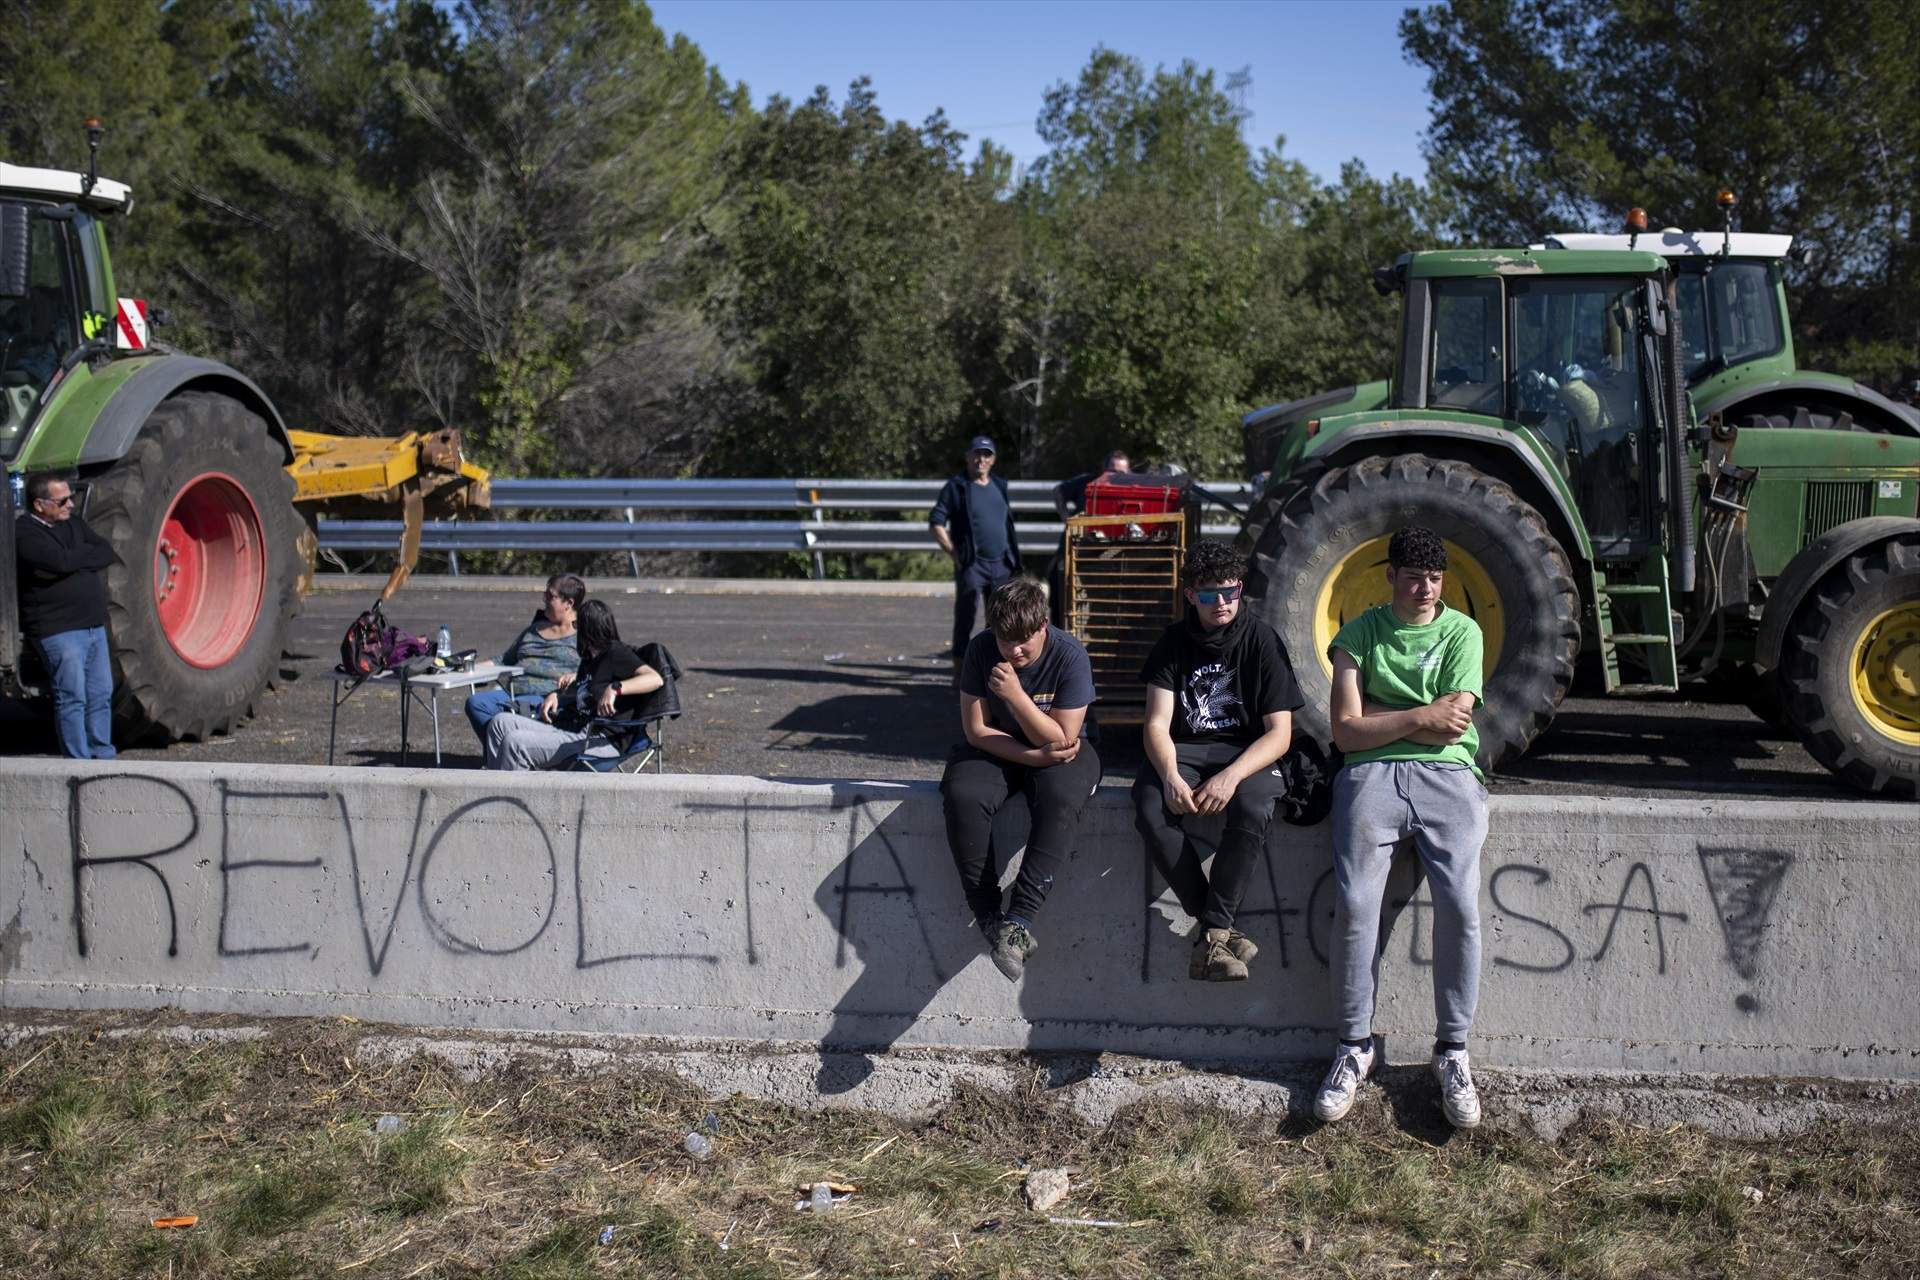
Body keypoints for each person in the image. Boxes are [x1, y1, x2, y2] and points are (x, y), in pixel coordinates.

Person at [1313, 525, 1488, 1130]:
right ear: (1389, 576)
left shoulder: (1464, 630)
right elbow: (1344, 732)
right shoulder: (1358, 635)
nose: (1425, 589)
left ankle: (1453, 1051)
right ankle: (1353, 1045)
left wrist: (1384, 719)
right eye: (1414, 577)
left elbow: (1455, 724)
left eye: (1435, 579)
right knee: (1358, 904)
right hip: (1370, 777)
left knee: (1461, 907)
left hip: (1450, 779)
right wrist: (1420, 714)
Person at [1133, 539, 1302, 981]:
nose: (1222, 602)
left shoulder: (1262, 639)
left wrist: (1231, 777)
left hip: (1246, 752)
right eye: (1209, 594)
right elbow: (1155, 723)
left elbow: (1280, 733)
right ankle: (1221, 932)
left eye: (1230, 591)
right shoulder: (1172, 641)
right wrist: (1169, 774)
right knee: (1151, 806)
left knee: (1253, 804)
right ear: (1190, 595)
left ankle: (1212, 935)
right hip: (1185, 748)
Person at [940, 575, 1100, 982]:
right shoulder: (981, 650)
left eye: (1023, 639)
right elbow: (976, 730)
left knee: (1062, 796)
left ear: (1043, 626)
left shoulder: (1070, 654)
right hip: (1002, 747)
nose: (1014, 650)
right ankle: (989, 915)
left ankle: (1020, 920)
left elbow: (1064, 738)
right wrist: (1032, 755)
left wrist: (1014, 696)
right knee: (963, 792)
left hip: (1066, 753)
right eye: (1004, 639)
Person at [482, 598, 662, 771]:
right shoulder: (589, 659)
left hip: (599, 739)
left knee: (515, 742)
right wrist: (558, 696)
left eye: (577, 625)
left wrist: (615, 688)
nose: (574, 631)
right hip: (573, 726)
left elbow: (655, 678)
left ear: (589, 629)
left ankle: (511, 798)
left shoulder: (615, 652)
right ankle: (496, 788)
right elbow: (588, 688)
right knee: (500, 723)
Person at [14, 472, 117, 759]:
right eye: (62, 500)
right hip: (59, 630)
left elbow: (105, 551)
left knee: (100, 695)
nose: (70, 504)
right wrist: (79, 559)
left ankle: (103, 756)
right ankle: (78, 764)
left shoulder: (73, 524)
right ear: (39, 505)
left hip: (93, 627)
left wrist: (73, 560)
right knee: (72, 697)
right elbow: (59, 561)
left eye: (71, 497)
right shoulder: (24, 534)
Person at [929, 436, 1021, 680]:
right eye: (977, 454)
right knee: (965, 617)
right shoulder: (957, 486)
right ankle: (959, 674)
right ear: (968, 456)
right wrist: (954, 553)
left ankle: (995, 673)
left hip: (1001, 563)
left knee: (1001, 620)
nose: (981, 459)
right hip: (972, 564)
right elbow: (936, 522)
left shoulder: (1000, 485)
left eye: (987, 454)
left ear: (993, 459)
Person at [462, 573, 584, 741]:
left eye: (550, 596)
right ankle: (502, 753)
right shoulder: (533, 630)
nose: (545, 600)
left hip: (548, 699)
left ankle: (509, 754)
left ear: (569, 603)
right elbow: (504, 660)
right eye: (545, 595)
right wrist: (468, 668)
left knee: (508, 714)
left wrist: (572, 682)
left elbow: (597, 670)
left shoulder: (583, 637)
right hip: (513, 694)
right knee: (476, 703)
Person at [1051, 449, 1131, 521]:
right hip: (1080, 535)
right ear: (1104, 469)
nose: (1117, 476)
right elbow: (1058, 491)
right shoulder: (1087, 483)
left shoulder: (1132, 491)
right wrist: (1067, 519)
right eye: (1113, 472)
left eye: (1121, 473)